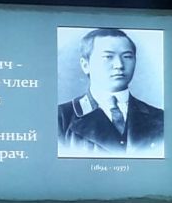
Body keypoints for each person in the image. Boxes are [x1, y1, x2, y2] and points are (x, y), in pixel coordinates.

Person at [58, 28, 164, 158]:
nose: (119, 65)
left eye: (127, 57)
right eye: (107, 57)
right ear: (85, 65)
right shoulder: (61, 118)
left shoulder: (159, 117)